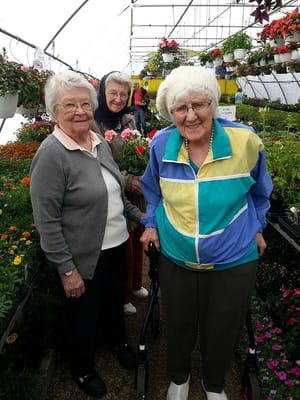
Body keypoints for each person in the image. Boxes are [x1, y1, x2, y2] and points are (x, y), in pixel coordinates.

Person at [140, 66, 273, 400]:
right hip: (177, 252)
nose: (191, 115)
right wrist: (151, 224)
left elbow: (260, 192)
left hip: (234, 255)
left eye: (199, 104)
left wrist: (256, 227)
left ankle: (213, 383)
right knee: (179, 321)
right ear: (171, 114)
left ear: (213, 104)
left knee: (224, 325)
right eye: (181, 109)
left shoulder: (245, 141)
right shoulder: (161, 144)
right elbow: (151, 189)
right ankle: (179, 377)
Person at [30, 71, 144, 399]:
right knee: (82, 314)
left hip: (116, 243)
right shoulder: (51, 155)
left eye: (84, 103)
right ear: (54, 111)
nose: (79, 110)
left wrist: (141, 217)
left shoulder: (97, 141)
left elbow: (116, 195)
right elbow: (47, 221)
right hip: (81, 255)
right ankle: (82, 368)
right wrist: (66, 270)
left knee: (112, 301)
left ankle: (118, 342)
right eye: (69, 104)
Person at [94, 71, 148, 316]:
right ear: (102, 94)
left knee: (137, 237)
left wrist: (143, 170)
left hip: (135, 188)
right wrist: (128, 180)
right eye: (112, 93)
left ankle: (136, 284)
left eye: (123, 94)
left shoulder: (128, 119)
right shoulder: (95, 122)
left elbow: (137, 148)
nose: (117, 98)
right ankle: (124, 294)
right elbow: (99, 161)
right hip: (115, 190)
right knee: (123, 242)